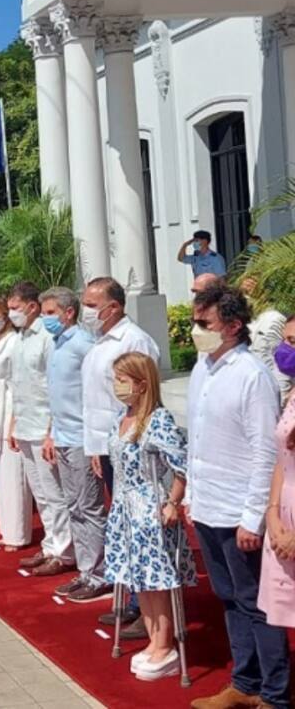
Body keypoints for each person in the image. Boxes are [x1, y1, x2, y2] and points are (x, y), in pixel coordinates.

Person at [187, 284, 287, 709]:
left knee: (255, 604)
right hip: (208, 504)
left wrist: (253, 517)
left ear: (232, 326)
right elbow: (197, 440)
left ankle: (274, 693)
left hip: (237, 510)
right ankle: (244, 683)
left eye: (203, 323)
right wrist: (192, 494)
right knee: (228, 598)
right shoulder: (201, 370)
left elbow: (266, 451)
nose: (196, 331)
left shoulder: (252, 375)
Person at [104, 352, 196, 682]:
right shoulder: (122, 417)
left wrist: (174, 502)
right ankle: (153, 639)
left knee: (158, 581)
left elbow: (181, 464)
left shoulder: (158, 420)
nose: (117, 386)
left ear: (142, 385)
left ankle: (165, 643)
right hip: (125, 511)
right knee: (138, 579)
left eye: (123, 380)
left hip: (150, 510)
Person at [80, 277, 160, 637]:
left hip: (133, 445)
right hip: (109, 444)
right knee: (123, 525)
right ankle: (132, 600)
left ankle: (146, 610)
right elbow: (95, 401)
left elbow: (142, 396)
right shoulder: (99, 342)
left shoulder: (134, 340)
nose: (87, 312)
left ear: (113, 307)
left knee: (141, 527)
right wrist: (97, 447)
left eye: (91, 305)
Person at [39, 287, 106, 603]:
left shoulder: (83, 344)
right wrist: (51, 432)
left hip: (81, 437)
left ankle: (99, 574)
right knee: (73, 507)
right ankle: (85, 570)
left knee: (88, 507)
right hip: (63, 434)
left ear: (68, 312)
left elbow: (94, 394)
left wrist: (93, 440)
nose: (44, 318)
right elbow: (56, 396)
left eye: (50, 312)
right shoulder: (57, 344)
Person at [8, 281, 75, 577]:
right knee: (41, 493)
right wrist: (13, 422)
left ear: (32, 306)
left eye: (15, 308)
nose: (11, 314)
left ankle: (64, 551)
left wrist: (51, 430)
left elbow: (54, 386)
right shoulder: (20, 337)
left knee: (54, 492)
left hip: (43, 425)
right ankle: (50, 545)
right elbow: (19, 383)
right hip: (25, 423)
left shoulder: (47, 337)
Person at [0, 297, 32, 551]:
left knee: (14, 473)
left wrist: (15, 420)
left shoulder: (15, 341)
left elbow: (17, 381)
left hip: (10, 404)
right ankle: (6, 529)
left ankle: (18, 533)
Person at [260, 316, 295, 627]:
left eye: (294, 342)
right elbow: (283, 459)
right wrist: (272, 513)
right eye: (286, 341)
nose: (286, 350)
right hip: (285, 512)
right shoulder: (292, 395)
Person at [241, 277, 291, 397]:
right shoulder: (246, 319)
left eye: (249, 290)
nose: (246, 297)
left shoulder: (274, 319)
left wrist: (282, 397)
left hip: (270, 390)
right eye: (244, 291)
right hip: (249, 388)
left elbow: (280, 362)